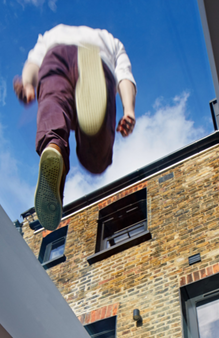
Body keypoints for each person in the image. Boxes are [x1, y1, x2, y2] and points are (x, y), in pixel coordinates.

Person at [13, 24, 136, 231]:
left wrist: (27, 84)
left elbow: (34, 62)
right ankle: (91, 89)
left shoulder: (52, 32)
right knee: (96, 160)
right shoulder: (113, 41)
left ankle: (53, 146)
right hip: (100, 57)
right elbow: (125, 76)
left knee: (53, 104)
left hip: (55, 55)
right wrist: (129, 110)